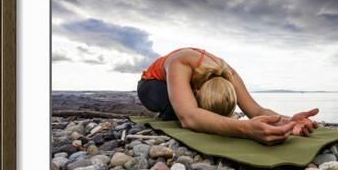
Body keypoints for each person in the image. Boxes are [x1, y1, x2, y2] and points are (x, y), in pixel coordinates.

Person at [136, 47, 319, 145]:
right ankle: (174, 109)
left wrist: (288, 121)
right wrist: (246, 129)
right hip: (152, 85)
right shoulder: (181, 62)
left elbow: (256, 110)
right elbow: (189, 118)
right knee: (178, 112)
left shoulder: (229, 73)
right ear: (196, 92)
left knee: (202, 119)